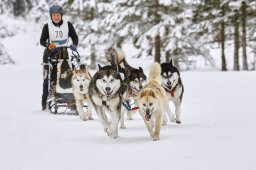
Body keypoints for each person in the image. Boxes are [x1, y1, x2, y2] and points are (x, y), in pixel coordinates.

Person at [40, 4, 78, 110]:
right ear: (51, 16)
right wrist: (49, 45)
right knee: (49, 78)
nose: (56, 17)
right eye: (54, 15)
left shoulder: (68, 25)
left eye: (58, 15)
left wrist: (74, 45)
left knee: (67, 76)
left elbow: (75, 37)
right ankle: (45, 102)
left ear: (61, 15)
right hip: (50, 53)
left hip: (63, 52)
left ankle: (70, 101)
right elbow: (42, 40)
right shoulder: (47, 26)